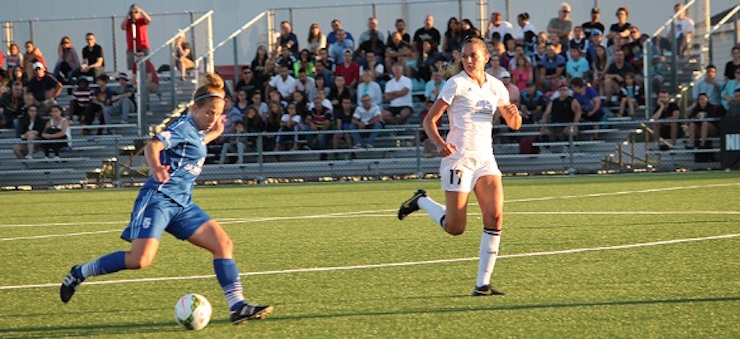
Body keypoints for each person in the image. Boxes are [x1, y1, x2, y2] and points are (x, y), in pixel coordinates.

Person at [59, 74, 274, 324]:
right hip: (159, 199)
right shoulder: (182, 126)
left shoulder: (196, 130)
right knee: (139, 260)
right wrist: (155, 167)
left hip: (182, 204)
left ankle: (237, 306)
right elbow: (153, 146)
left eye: (217, 113)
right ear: (195, 108)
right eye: (209, 113)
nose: (213, 118)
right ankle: (79, 272)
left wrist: (215, 132)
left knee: (223, 244)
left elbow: (195, 144)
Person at [397, 37, 521, 297]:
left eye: (473, 55)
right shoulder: (456, 84)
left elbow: (514, 125)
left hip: (485, 159)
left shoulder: (497, 87)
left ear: (486, 58)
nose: (468, 60)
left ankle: (482, 284)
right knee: (455, 227)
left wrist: (514, 115)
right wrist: (440, 144)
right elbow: (429, 121)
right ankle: (421, 201)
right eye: (464, 56)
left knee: (495, 217)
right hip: (459, 160)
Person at [122, 4, 152, 70]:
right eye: (133, 13)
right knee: (131, 66)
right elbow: (122, 27)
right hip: (131, 47)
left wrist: (141, 11)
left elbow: (149, 20)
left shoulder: (142, 20)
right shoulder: (129, 22)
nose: (134, 14)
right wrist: (128, 15)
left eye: (136, 12)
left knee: (146, 66)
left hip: (143, 46)